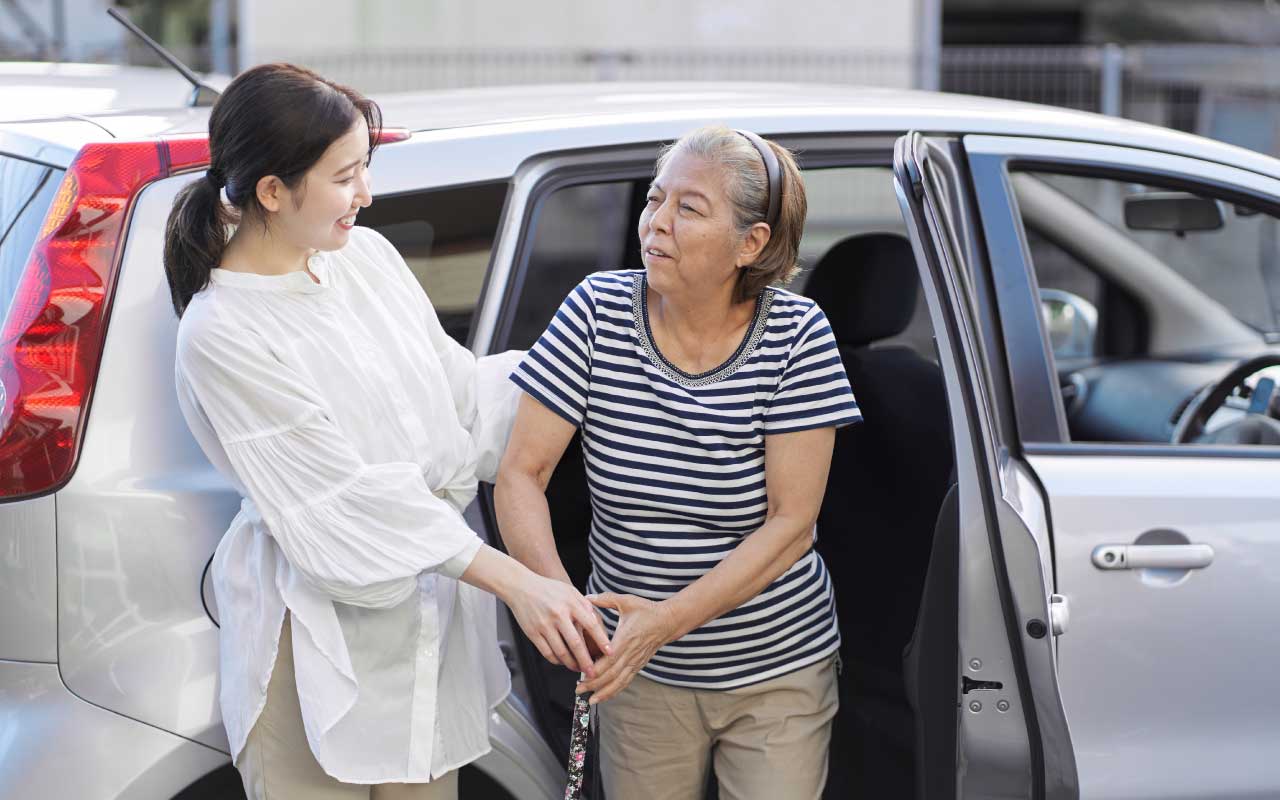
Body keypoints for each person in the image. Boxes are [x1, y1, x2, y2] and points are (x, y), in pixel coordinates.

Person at [165, 63, 610, 800]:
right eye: (345, 177)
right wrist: (518, 584)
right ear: (272, 192)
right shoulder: (223, 330)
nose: (365, 196)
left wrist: (592, 364)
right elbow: (342, 500)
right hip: (313, 652)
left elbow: (457, 393)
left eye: (363, 170)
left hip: (429, 631)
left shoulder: (363, 258)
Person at [496, 124, 862, 800]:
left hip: (775, 666)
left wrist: (663, 623)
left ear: (749, 244)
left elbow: (792, 525)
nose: (655, 225)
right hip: (635, 673)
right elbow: (523, 473)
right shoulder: (596, 312)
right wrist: (558, 602)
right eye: (654, 200)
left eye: (688, 209)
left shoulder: (798, 335)